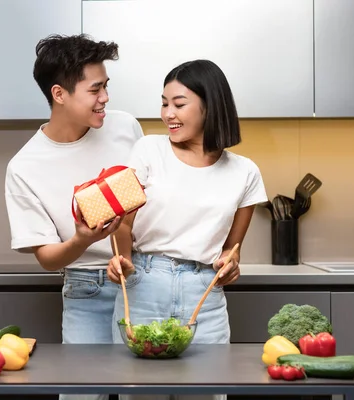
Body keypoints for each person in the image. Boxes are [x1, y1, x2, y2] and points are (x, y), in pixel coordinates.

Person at [107, 59, 268, 400]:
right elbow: (121, 221)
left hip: (204, 298)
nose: (168, 114)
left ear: (210, 106)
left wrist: (230, 263)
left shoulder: (246, 173)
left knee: (208, 393)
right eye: (164, 103)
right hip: (145, 288)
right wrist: (121, 259)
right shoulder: (147, 149)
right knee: (140, 394)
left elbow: (231, 248)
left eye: (179, 104)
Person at [4, 34, 144, 400]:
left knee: (143, 391)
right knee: (81, 394)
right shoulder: (24, 167)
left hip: (142, 277)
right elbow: (48, 259)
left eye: (106, 86)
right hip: (85, 287)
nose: (106, 99)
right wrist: (83, 239)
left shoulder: (125, 127)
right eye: (95, 89)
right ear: (59, 94)